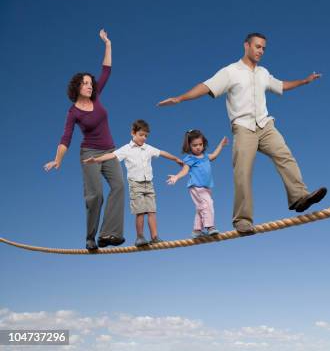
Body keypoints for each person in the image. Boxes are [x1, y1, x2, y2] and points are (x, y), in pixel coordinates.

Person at [158, 33, 327, 235]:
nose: (260, 51)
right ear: (246, 46)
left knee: (285, 155)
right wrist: (180, 98)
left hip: (265, 125)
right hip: (244, 127)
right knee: (243, 172)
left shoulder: (263, 73)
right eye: (257, 46)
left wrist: (305, 81)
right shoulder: (231, 72)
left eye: (263, 48)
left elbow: (281, 85)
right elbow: (206, 86)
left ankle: (299, 197)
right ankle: (242, 220)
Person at [44, 29, 125, 250]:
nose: (91, 86)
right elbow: (65, 138)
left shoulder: (97, 97)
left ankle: (108, 234)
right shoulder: (73, 113)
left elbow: (106, 71)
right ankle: (90, 237)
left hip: (109, 151)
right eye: (86, 83)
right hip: (89, 154)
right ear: (77, 88)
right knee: (95, 195)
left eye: (91, 83)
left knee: (119, 186)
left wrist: (107, 44)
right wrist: (57, 159)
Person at [83, 119, 183, 247]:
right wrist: (96, 159)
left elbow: (162, 153)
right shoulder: (127, 149)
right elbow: (112, 155)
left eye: (146, 136)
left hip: (149, 184)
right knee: (140, 211)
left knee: (152, 211)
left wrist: (176, 159)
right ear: (133, 133)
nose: (144, 138)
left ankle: (154, 237)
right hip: (136, 185)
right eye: (141, 135)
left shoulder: (148, 148)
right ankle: (140, 237)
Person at [167, 130, 228, 238]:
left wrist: (221, 145)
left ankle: (197, 230)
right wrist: (177, 176)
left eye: (200, 144)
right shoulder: (190, 159)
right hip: (196, 187)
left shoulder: (206, 157)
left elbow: (214, 155)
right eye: (195, 145)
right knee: (208, 204)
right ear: (189, 146)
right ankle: (210, 227)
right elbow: (184, 171)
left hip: (206, 187)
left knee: (201, 207)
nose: (198, 147)